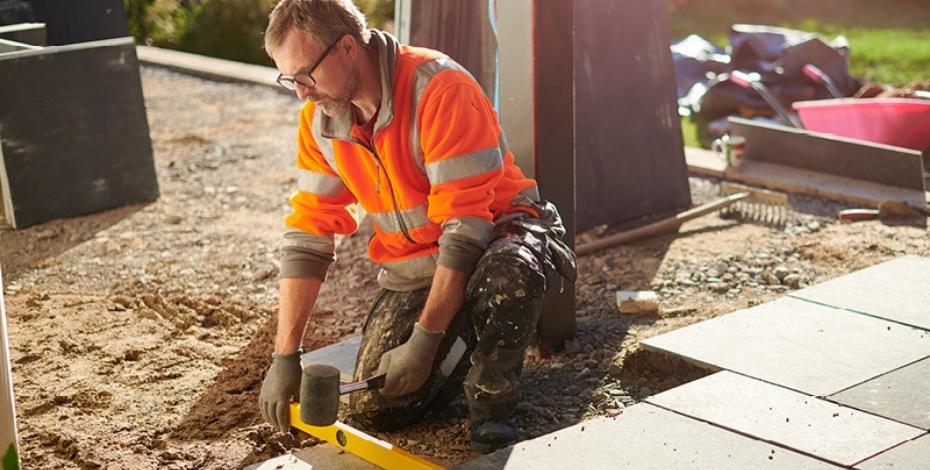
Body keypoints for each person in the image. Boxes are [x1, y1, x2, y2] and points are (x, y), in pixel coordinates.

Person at [257, 0, 575, 454]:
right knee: (381, 408)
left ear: (347, 48)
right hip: (419, 263)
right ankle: (464, 329)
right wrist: (286, 355)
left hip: (496, 234)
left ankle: (492, 395)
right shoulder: (320, 120)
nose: (302, 93)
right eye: (289, 80)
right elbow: (309, 234)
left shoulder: (439, 88)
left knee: (508, 273)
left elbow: (466, 231)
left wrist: (425, 342)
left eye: (306, 75)